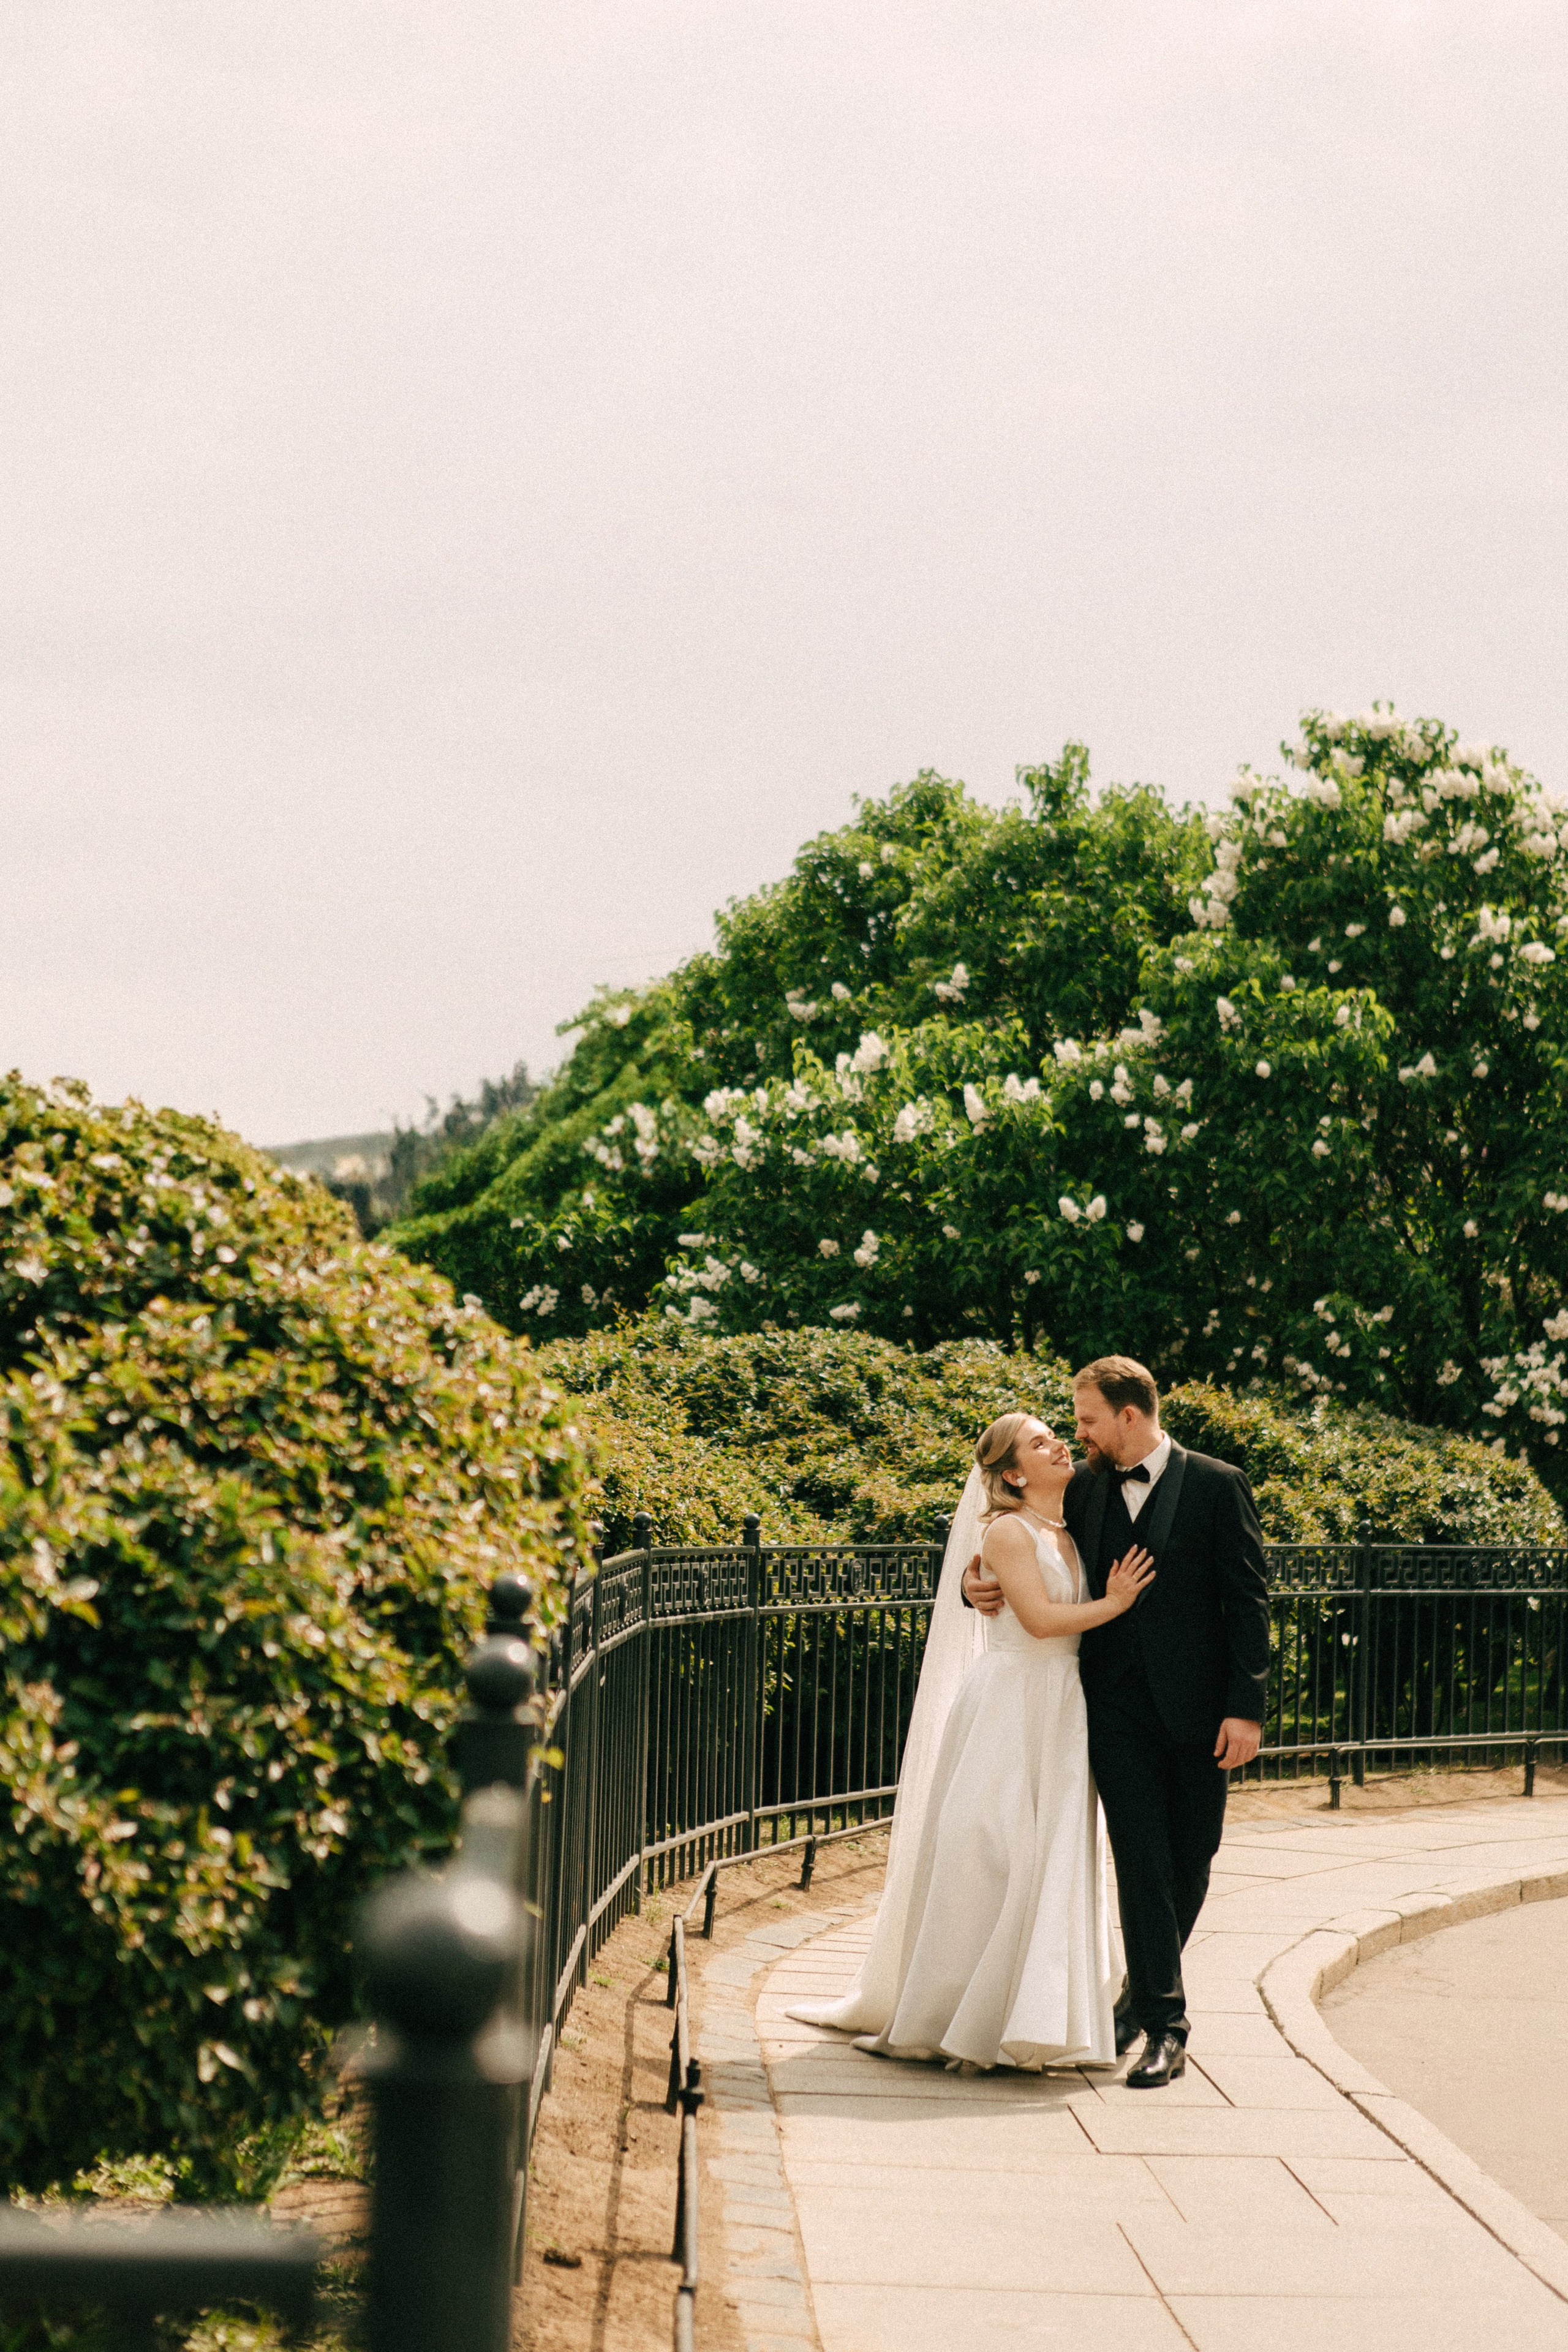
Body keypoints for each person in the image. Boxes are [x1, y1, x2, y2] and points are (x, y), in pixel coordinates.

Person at [786, 1411, 1153, 2070]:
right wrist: (1115, 1604)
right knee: (989, 1846)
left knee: (1051, 1855)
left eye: (1057, 1435)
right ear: (1012, 1473)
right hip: (1012, 1703)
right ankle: (959, 2011)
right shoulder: (1010, 1531)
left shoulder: (1075, 1519)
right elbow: (1040, 1620)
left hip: (1065, 1707)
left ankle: (1032, 2014)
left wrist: (974, 1582)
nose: (1060, 1443)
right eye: (1040, 1443)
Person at [964, 1356, 1270, 2088]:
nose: (1080, 1434)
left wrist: (1246, 1708)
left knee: (1194, 1857)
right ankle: (1168, 2027)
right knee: (1140, 1860)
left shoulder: (1218, 1485)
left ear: (1128, 1415)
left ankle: (1135, 2001)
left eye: (1088, 1419)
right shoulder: (1085, 1489)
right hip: (1114, 1710)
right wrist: (974, 1585)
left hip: (1203, 1715)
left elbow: (1248, 1603)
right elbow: (1019, 1541)